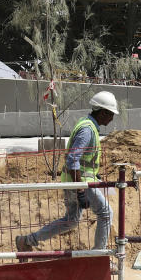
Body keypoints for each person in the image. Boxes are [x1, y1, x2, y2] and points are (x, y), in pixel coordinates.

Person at [16, 91, 118, 257]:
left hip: (75, 180)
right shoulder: (87, 130)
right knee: (106, 213)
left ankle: (27, 241)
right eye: (111, 114)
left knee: (71, 221)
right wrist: (80, 191)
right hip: (79, 182)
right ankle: (99, 257)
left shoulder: (86, 123)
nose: (112, 118)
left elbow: (81, 160)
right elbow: (73, 159)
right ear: (103, 112)